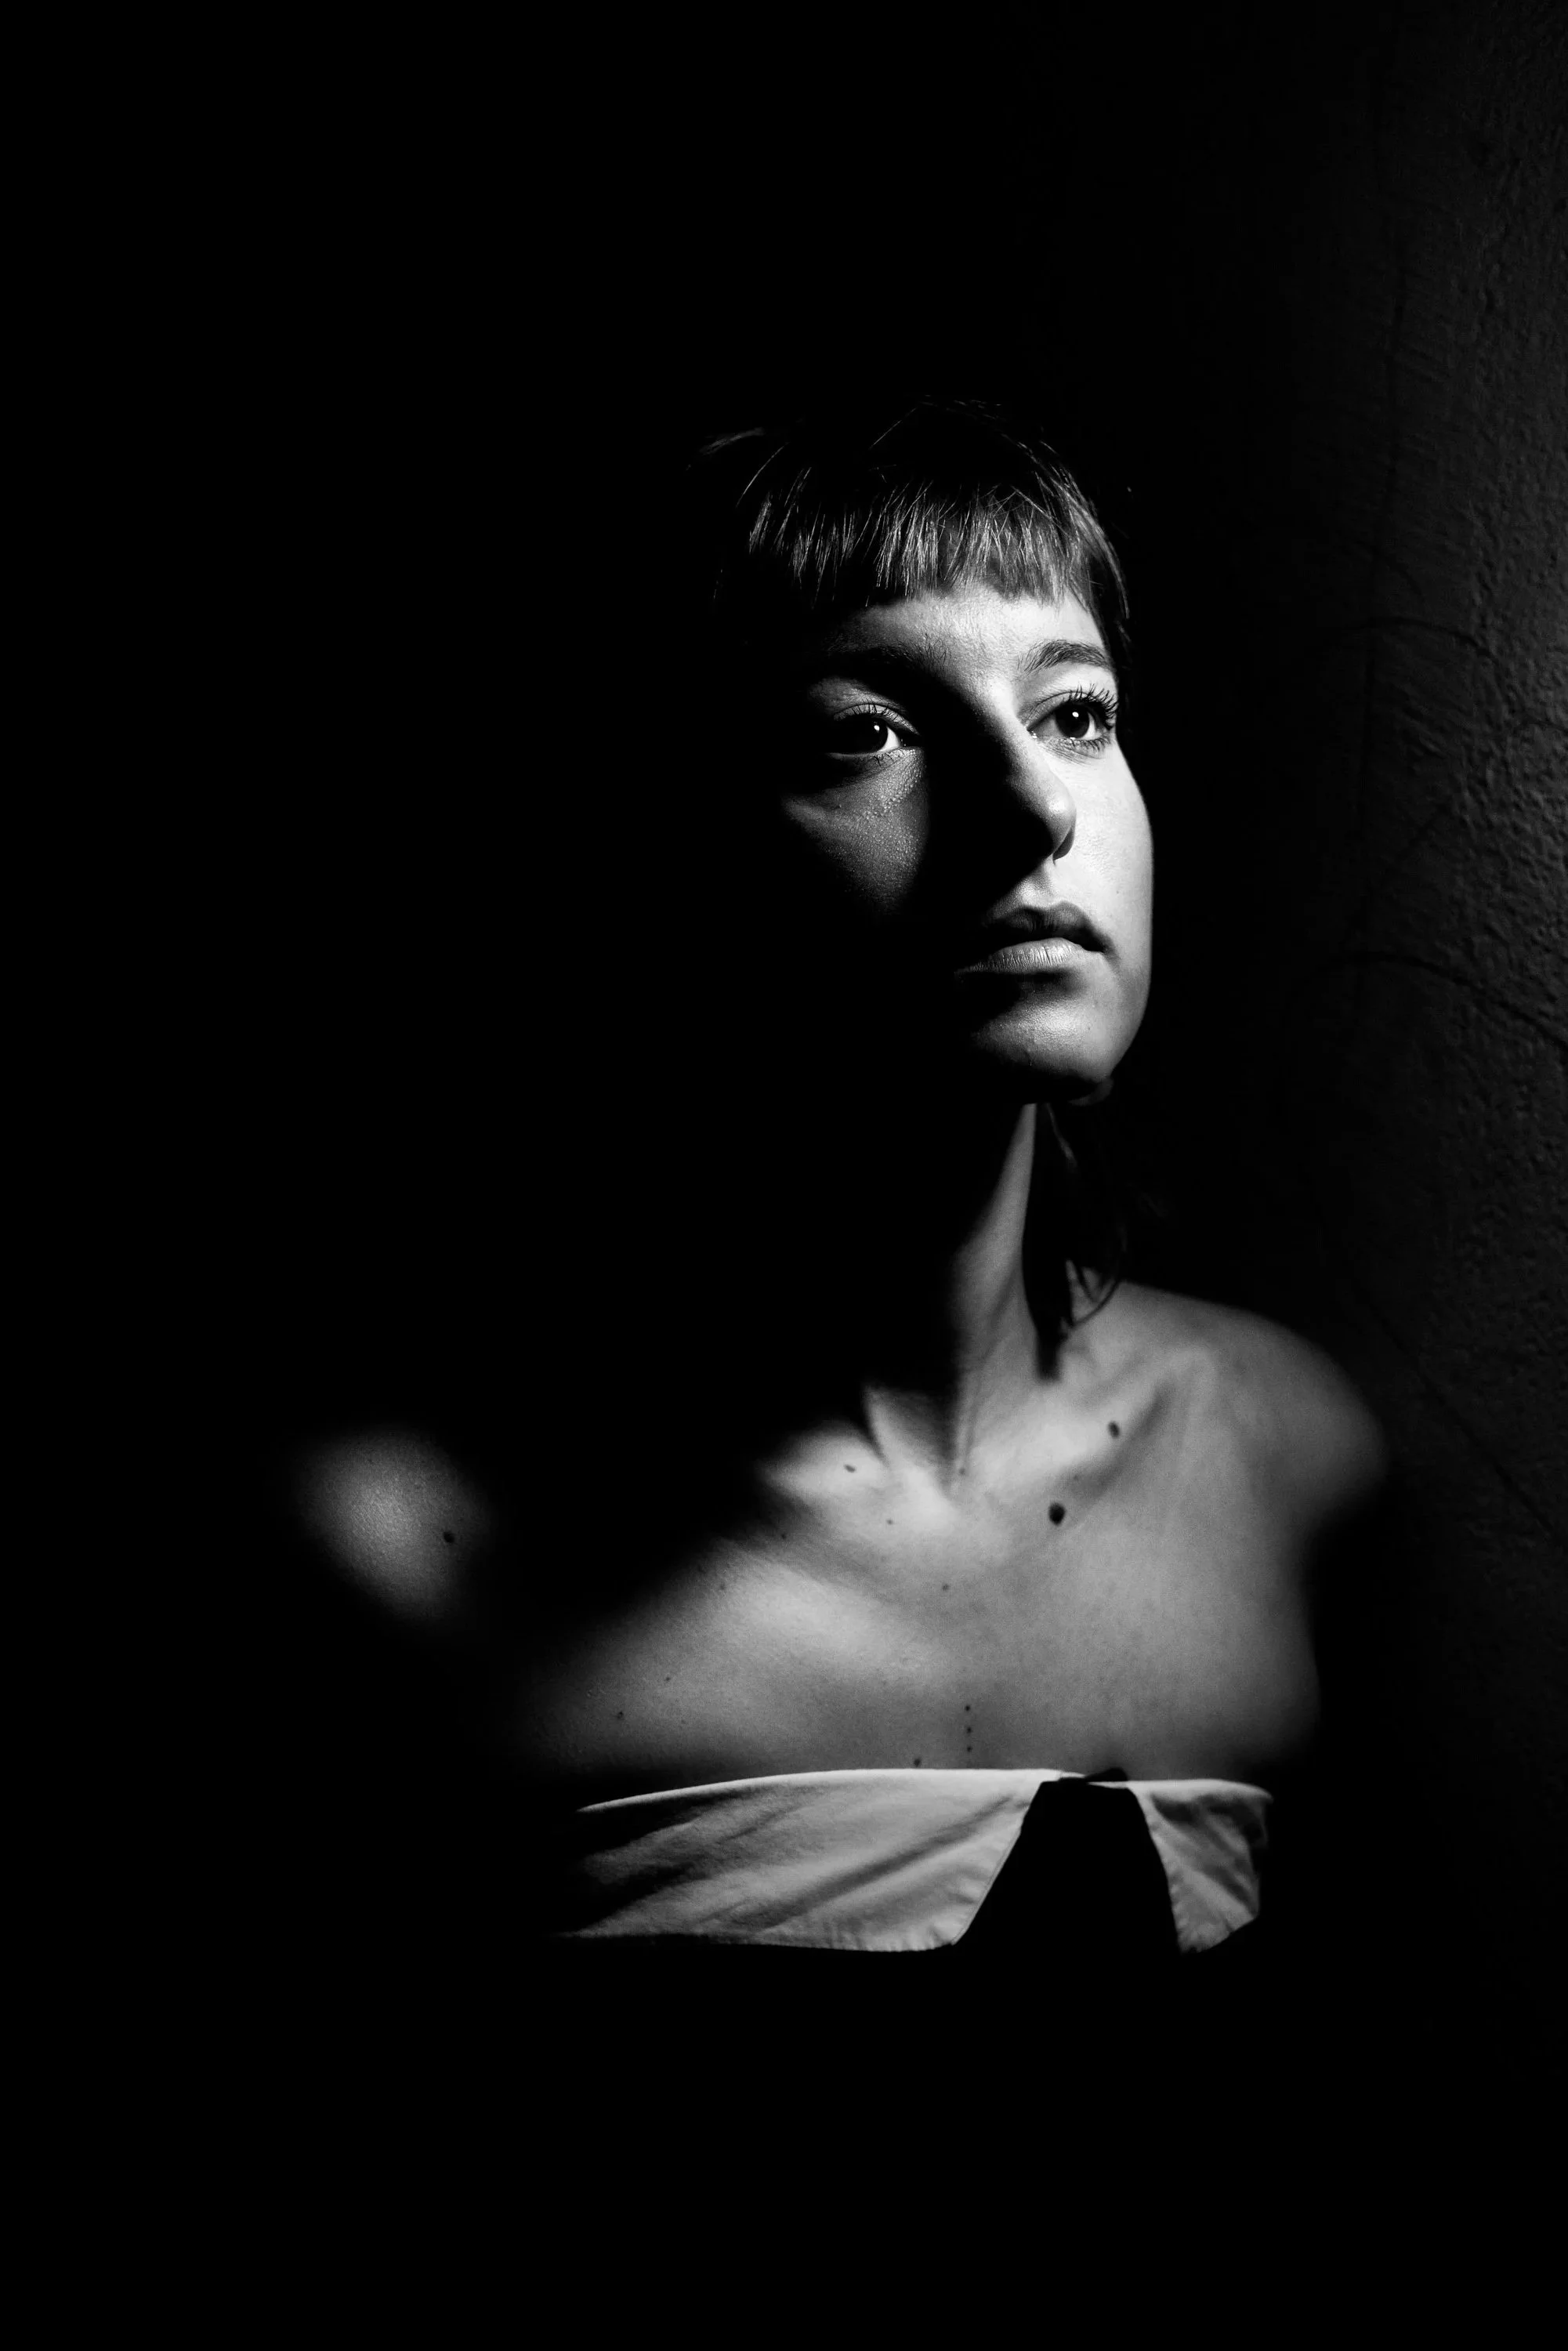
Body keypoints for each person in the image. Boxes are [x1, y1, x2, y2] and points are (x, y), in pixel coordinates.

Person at [263, 399, 1386, 2125]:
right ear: (664, 849)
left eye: (1075, 712)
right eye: (869, 730)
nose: (1029, 808)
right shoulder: (394, 1551)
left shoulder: (1286, 1459)